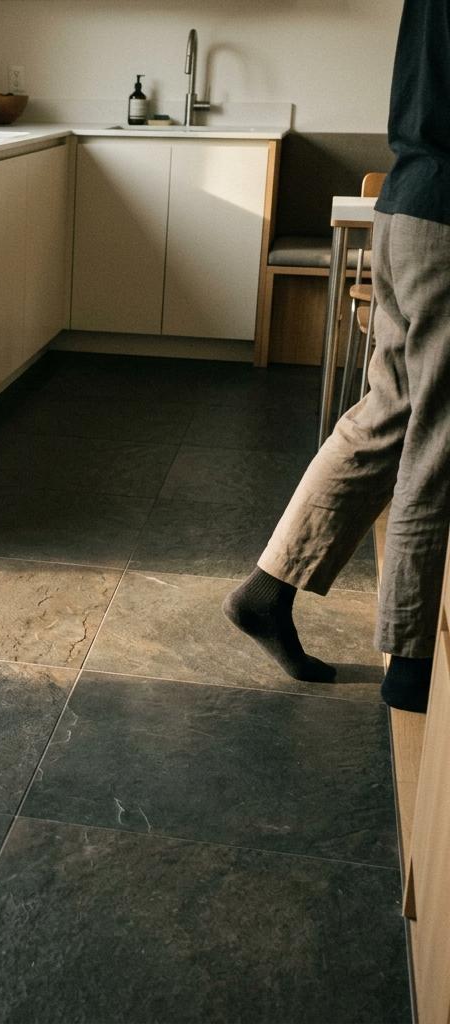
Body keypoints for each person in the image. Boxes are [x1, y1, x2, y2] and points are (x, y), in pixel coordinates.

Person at [223, 0, 450, 714]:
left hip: (407, 205)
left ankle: (267, 590)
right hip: (446, 218)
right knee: (437, 438)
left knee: (389, 412)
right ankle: (411, 660)